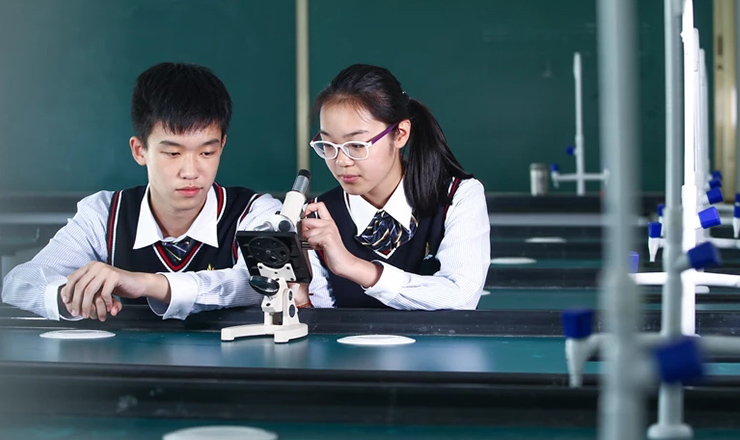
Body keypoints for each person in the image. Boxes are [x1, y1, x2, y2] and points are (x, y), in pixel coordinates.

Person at [2, 62, 282, 321]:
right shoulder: (104, 214)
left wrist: (148, 283)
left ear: (222, 146)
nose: (190, 171)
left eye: (207, 152)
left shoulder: (256, 213)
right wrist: (75, 295)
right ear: (140, 150)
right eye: (172, 153)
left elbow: (264, 282)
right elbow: (20, 283)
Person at [300, 64, 490, 310]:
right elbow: (322, 319)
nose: (341, 161)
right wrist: (299, 296)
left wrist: (353, 267)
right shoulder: (318, 217)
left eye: (357, 145)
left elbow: (461, 296)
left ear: (400, 133)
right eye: (328, 145)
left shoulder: (457, 197)